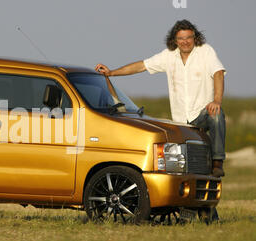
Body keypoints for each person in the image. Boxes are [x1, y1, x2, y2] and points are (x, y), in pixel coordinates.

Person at [95, 19, 226, 178]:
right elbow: (142, 66)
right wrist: (112, 73)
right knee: (185, 165)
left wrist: (217, 100)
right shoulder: (168, 56)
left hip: (201, 114)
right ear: (175, 41)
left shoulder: (206, 51)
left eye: (189, 37)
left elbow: (218, 73)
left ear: (195, 37)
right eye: (181, 38)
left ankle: (218, 162)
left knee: (217, 115)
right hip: (180, 122)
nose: (185, 42)